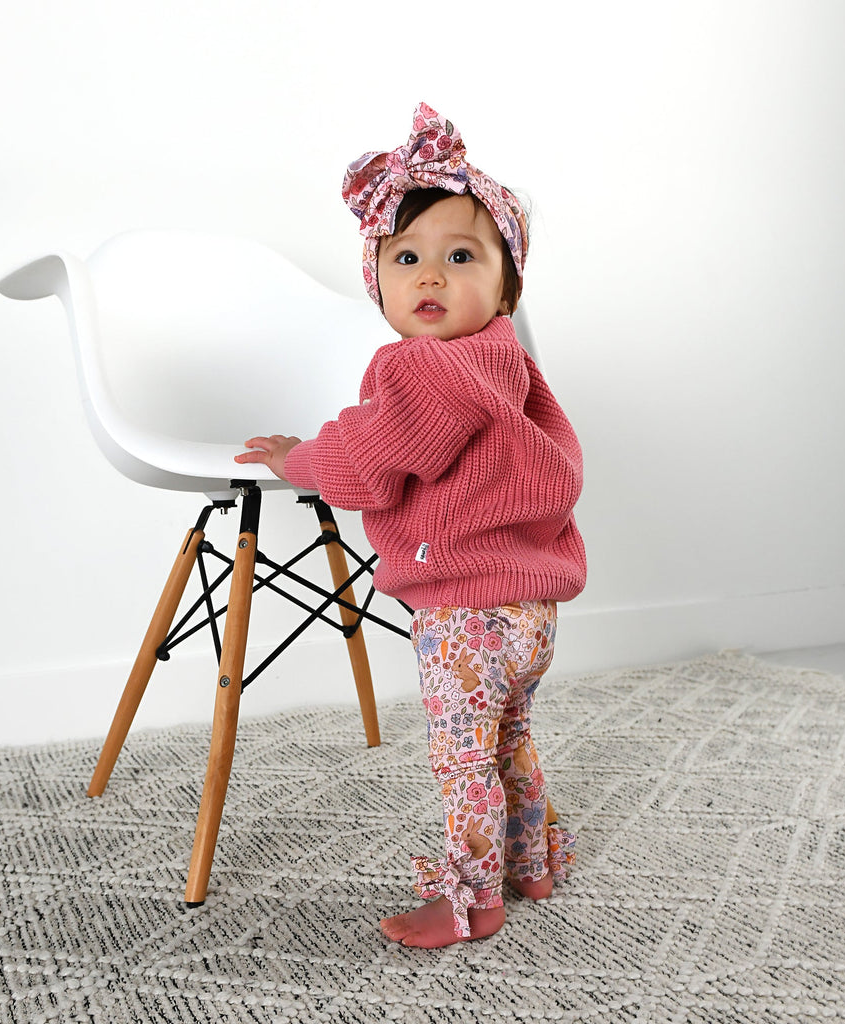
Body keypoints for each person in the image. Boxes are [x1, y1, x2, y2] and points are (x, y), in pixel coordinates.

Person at [235, 102, 586, 948]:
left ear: (507, 288)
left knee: (462, 758)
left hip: (466, 616)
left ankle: (472, 900)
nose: (431, 276)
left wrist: (297, 459)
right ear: (379, 281)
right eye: (407, 257)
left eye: (460, 257)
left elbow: (366, 461)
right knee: (510, 738)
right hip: (532, 610)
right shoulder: (507, 361)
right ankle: (530, 862)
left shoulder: (428, 370)